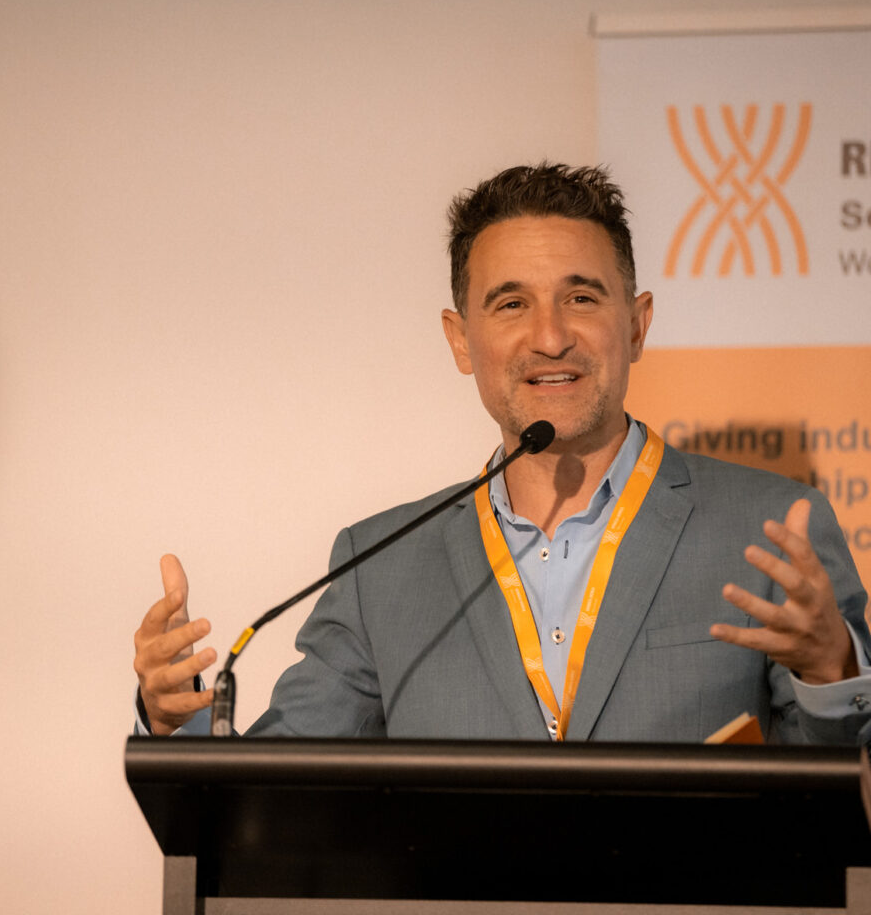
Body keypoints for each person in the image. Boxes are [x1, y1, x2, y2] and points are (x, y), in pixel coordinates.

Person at [133, 162, 871, 744]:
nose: (550, 337)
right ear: (461, 340)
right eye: (511, 304)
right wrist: (175, 723)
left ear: (638, 325)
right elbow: (277, 796)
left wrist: (834, 673)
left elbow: (845, 808)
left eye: (581, 297)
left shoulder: (774, 530)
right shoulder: (378, 568)